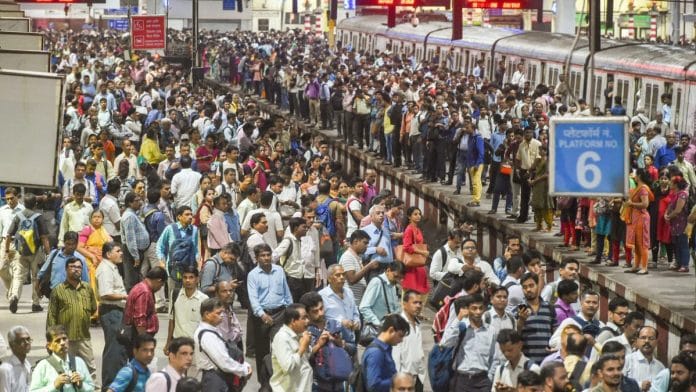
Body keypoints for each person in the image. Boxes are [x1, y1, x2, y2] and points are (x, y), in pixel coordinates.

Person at [246, 243, 293, 387]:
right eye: (263, 256)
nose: (266, 258)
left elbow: (286, 292)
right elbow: (253, 298)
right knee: (263, 352)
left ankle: (280, 380)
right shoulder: (253, 275)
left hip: (280, 313)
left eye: (268, 255)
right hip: (262, 317)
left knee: (281, 347)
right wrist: (262, 315)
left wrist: (291, 310)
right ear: (257, 258)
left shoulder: (279, 270)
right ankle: (264, 383)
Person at [46, 256, 98, 380]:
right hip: (64, 339)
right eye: (72, 267)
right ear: (66, 269)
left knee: (90, 369)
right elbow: (51, 316)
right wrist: (51, 340)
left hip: (84, 337)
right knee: (64, 370)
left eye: (79, 267)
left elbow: (93, 308)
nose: (76, 269)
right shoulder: (58, 291)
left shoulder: (87, 288)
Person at [441, 294, 500, 391]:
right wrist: (458, 318)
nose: (478, 312)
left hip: (483, 381)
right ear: (467, 309)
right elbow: (445, 343)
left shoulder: (491, 331)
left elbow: (494, 357)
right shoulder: (461, 327)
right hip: (461, 380)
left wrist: (489, 378)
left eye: (481, 308)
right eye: (474, 308)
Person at [4, 193, 50, 313]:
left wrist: (7, 250)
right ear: (35, 204)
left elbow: (9, 235)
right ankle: (35, 304)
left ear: (24, 204)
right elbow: (44, 237)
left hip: (20, 251)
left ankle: (14, 297)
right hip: (36, 252)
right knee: (36, 277)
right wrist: (48, 253)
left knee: (18, 276)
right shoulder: (39, 217)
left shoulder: (18, 216)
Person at [194, 298, 253, 391]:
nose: (221, 316)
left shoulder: (212, 330)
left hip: (218, 377)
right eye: (218, 313)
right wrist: (244, 369)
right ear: (207, 314)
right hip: (214, 379)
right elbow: (224, 362)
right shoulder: (207, 336)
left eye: (222, 312)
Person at [96, 242, 129, 387]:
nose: (121, 253)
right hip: (111, 312)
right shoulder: (105, 269)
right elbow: (106, 293)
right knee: (114, 352)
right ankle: (109, 386)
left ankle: (118, 385)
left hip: (118, 311)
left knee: (120, 350)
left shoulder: (113, 268)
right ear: (108, 254)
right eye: (118, 251)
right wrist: (126, 297)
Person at [165, 266, 208, 377]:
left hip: (195, 347)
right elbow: (171, 319)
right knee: (175, 379)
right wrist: (168, 342)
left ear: (197, 279)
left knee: (191, 382)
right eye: (185, 277)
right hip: (177, 344)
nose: (188, 280)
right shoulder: (175, 294)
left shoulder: (204, 299)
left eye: (191, 277)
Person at [30, 325, 95, 391]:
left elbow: (91, 387)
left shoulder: (79, 362)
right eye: (57, 341)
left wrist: (81, 385)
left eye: (64, 339)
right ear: (49, 346)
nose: (62, 343)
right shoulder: (43, 366)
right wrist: (54, 386)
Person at [156, 205, 199, 302]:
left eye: (191, 214)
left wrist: (197, 261)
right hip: (173, 268)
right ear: (179, 217)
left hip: (189, 267)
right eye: (187, 214)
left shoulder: (195, 230)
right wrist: (161, 261)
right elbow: (160, 245)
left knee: (189, 296)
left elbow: (195, 248)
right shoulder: (170, 229)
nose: (190, 217)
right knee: (174, 295)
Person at [269, 303, 313, 391]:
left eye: (307, 317)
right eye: (304, 318)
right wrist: (302, 347)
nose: (307, 321)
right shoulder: (282, 338)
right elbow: (288, 367)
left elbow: (305, 359)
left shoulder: (300, 334)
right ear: (293, 321)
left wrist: (307, 346)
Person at [362, 313, 410, 392]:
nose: (401, 340)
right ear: (391, 330)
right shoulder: (376, 353)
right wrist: (398, 381)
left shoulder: (386, 348)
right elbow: (373, 386)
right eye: (400, 336)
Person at [273, 217, 316, 301]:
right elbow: (274, 256)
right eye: (304, 227)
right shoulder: (288, 241)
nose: (306, 229)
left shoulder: (299, 241)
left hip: (299, 279)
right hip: (291, 279)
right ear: (296, 228)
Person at [517, 272, 555, 365]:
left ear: (538, 285)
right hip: (527, 362)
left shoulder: (549, 308)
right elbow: (516, 335)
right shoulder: (519, 310)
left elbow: (555, 332)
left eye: (531, 285)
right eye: (525, 287)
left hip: (547, 362)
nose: (528, 289)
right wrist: (521, 320)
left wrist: (554, 347)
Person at [392, 290, 426, 391]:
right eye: (415, 302)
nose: (418, 306)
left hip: (418, 378)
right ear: (404, 304)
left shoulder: (417, 324)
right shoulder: (398, 325)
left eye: (420, 303)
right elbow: (396, 357)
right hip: (403, 381)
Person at [124, 267, 168, 340]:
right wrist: (144, 341)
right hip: (139, 335)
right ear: (159, 281)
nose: (160, 288)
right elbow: (140, 319)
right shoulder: (144, 292)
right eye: (161, 285)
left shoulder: (142, 287)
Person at [625, 169, 654, 275]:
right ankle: (636, 266)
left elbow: (645, 204)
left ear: (639, 176)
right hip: (636, 217)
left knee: (642, 242)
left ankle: (644, 267)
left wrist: (631, 204)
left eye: (635, 174)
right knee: (637, 243)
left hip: (642, 217)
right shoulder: (638, 188)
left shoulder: (643, 189)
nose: (633, 176)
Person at [120, 192, 151, 291]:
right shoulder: (129, 216)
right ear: (130, 203)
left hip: (136, 251)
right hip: (131, 251)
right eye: (137, 201)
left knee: (136, 278)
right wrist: (135, 256)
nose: (140, 203)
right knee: (131, 279)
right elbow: (130, 238)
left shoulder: (133, 214)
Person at [339, 229, 378, 305]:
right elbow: (352, 279)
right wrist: (369, 266)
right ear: (355, 242)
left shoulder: (357, 257)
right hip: (350, 303)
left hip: (356, 303)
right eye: (365, 243)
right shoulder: (348, 257)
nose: (367, 246)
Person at [359, 262, 403, 327]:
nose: (398, 280)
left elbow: (395, 307)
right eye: (396, 276)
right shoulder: (377, 282)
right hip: (377, 329)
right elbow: (364, 307)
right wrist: (377, 323)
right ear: (388, 270)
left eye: (400, 278)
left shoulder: (392, 285)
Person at [400, 206, 430, 295]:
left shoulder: (416, 229)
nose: (418, 216)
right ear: (409, 217)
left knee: (418, 291)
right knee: (411, 290)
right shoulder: (409, 229)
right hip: (412, 264)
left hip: (417, 263)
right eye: (415, 214)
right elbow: (406, 247)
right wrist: (422, 252)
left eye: (419, 214)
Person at [624, 326, 665, 391]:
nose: (647, 341)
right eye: (643, 338)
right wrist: (639, 385)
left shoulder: (660, 367)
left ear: (656, 342)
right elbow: (619, 385)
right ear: (637, 340)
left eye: (651, 338)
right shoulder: (627, 360)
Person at [0, 326, 32, 391]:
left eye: (28, 339)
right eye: (22, 340)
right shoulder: (6, 369)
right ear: (12, 345)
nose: (27, 343)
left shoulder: (27, 365)